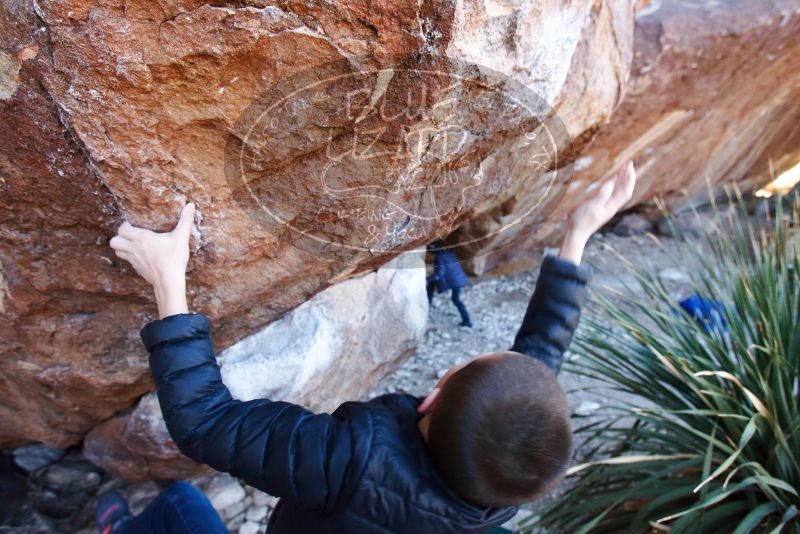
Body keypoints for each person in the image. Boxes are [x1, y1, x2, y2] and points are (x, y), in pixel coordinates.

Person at [101, 162, 637, 534]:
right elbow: (537, 363)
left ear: (430, 400)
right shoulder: (499, 484)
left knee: (179, 503)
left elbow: (205, 423)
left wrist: (169, 282)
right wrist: (577, 237)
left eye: (458, 369)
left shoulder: (349, 461)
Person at [426, 242, 473, 327]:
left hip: (454, 281)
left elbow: (440, 273)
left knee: (456, 300)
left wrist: (427, 279)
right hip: (459, 278)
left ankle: (467, 321)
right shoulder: (450, 253)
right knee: (456, 299)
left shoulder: (439, 257)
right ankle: (466, 320)